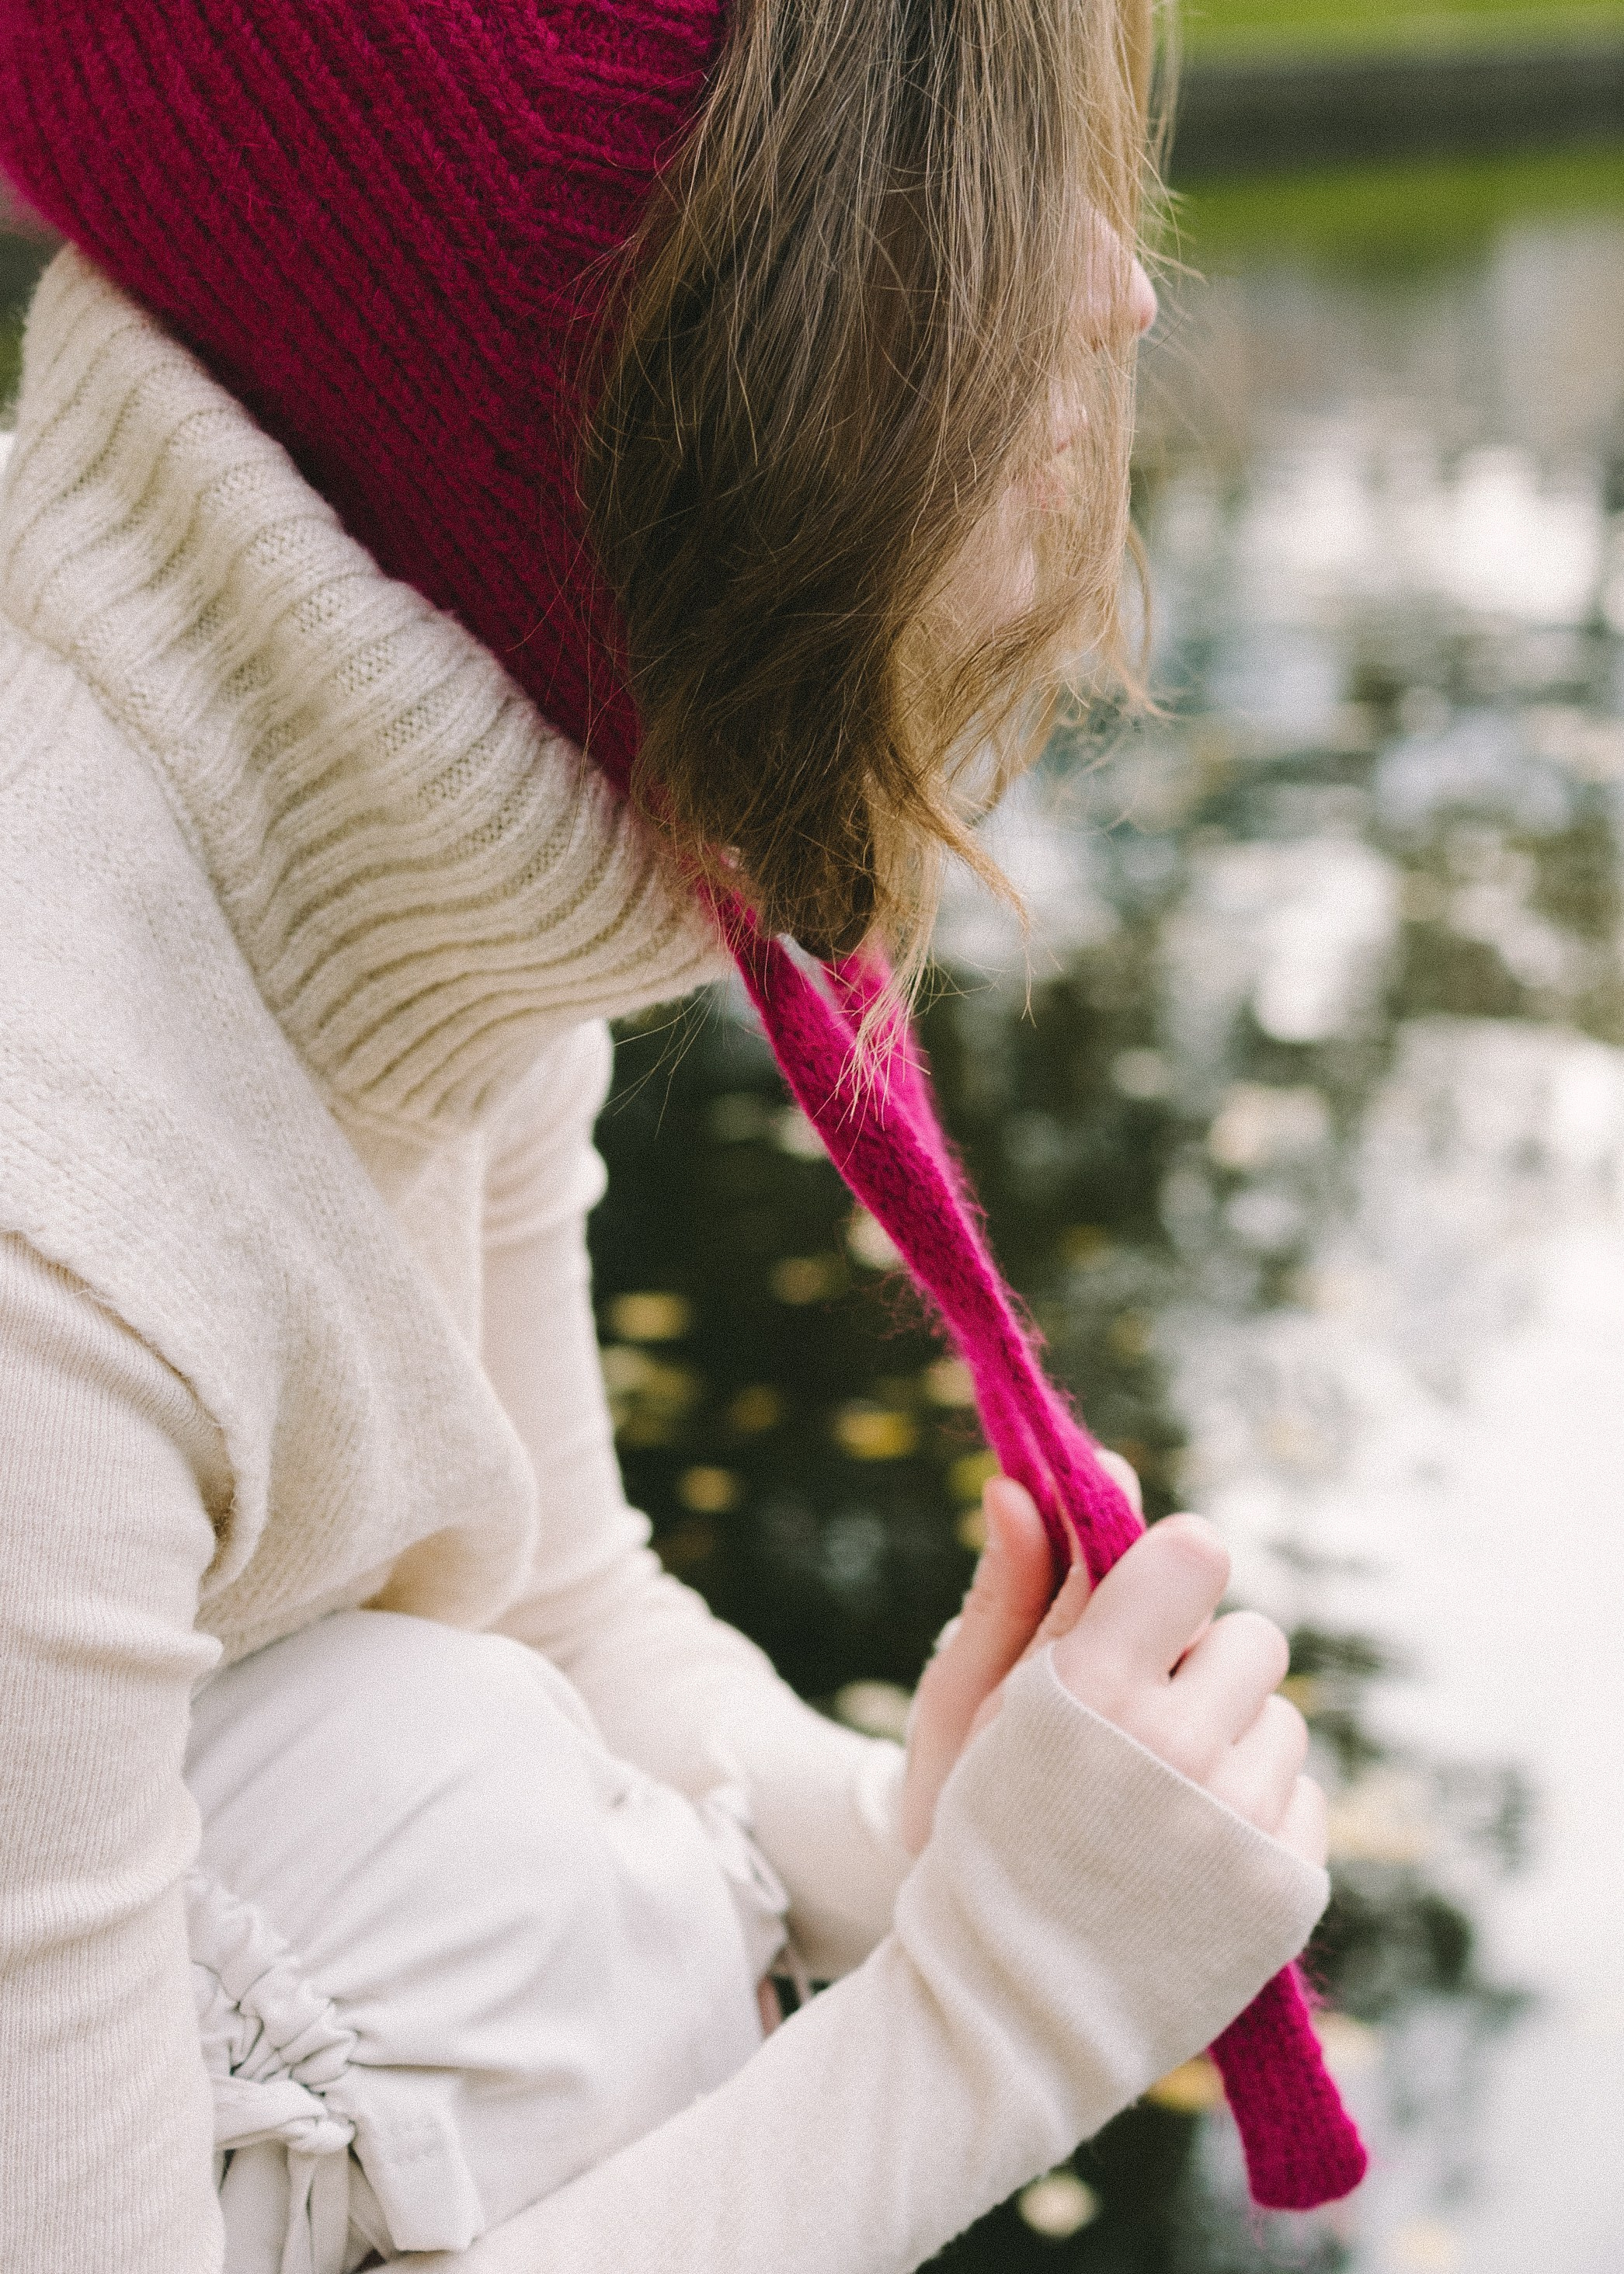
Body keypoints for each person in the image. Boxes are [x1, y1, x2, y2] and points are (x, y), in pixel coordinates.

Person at [0, 4, 1332, 2269]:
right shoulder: (55, 1211)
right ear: (617, 335)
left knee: (501, 1784)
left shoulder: (371, 828)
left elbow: (544, 1596)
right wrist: (1002, 2009)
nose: (1116, 289)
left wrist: (930, 1847)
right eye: (961, 201)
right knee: (498, 1868)